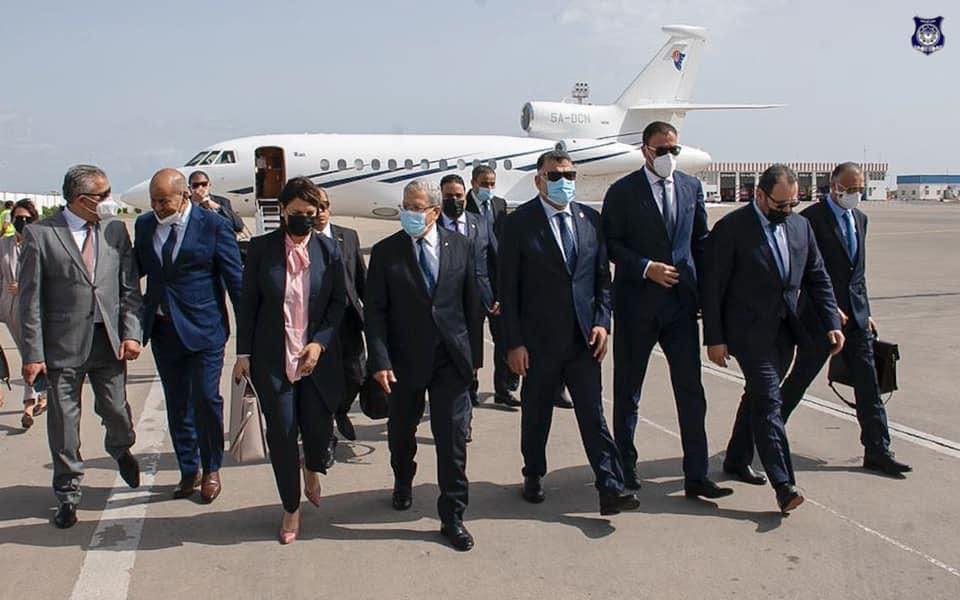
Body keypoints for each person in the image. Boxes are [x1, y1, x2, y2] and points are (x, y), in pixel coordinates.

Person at [499, 149, 639, 515]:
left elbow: (601, 280)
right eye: (555, 176)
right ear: (539, 180)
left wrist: (602, 323)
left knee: (593, 415)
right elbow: (508, 290)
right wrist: (514, 343)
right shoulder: (518, 224)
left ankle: (610, 487)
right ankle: (533, 473)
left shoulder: (590, 220)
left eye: (570, 175)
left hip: (583, 341)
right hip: (538, 343)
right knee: (536, 414)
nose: (564, 182)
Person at [703, 164, 844, 514]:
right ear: (760, 195)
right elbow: (713, 287)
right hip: (748, 332)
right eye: (781, 205)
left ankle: (737, 458)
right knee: (769, 400)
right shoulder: (732, 229)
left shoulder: (800, 226)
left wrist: (831, 321)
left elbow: (818, 276)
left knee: (758, 395)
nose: (787, 210)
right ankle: (784, 485)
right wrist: (714, 338)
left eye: (793, 204)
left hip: (785, 331)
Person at [602, 122, 731, 498]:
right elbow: (611, 243)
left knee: (691, 391)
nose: (668, 157)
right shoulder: (623, 191)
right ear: (645, 151)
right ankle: (625, 466)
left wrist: (708, 297)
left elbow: (700, 242)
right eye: (661, 151)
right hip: (637, 305)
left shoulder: (691, 188)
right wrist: (646, 267)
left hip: (680, 306)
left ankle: (697, 474)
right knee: (629, 390)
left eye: (674, 150)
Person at [19, 164, 143, 529]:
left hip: (107, 342)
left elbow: (129, 288)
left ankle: (121, 448)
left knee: (116, 410)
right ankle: (68, 492)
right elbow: (30, 302)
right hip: (62, 346)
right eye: (102, 195)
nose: (108, 201)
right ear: (80, 199)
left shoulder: (115, 230)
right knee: (64, 424)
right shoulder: (42, 235)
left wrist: (131, 332)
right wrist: (33, 355)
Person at [365, 179, 481, 551]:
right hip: (404, 362)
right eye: (406, 206)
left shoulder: (460, 246)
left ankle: (453, 516)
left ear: (434, 211)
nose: (409, 213)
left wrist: (474, 360)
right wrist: (379, 360)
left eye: (416, 208)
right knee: (401, 433)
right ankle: (403, 480)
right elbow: (375, 312)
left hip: (450, 360)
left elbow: (471, 306)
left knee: (452, 441)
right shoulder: (386, 252)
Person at [779, 162, 911, 477]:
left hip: (856, 320)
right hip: (819, 320)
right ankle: (766, 432)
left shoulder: (860, 219)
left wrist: (866, 312)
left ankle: (878, 450)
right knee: (799, 380)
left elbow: (857, 274)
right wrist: (829, 309)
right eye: (849, 188)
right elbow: (802, 273)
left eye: (859, 188)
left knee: (869, 385)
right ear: (833, 185)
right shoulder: (810, 220)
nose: (854, 193)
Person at [234, 177, 346, 544]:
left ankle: (312, 467)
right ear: (283, 211)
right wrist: (243, 354)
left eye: (310, 213)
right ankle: (290, 506)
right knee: (282, 433)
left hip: (315, 360)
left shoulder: (329, 251)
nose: (303, 219)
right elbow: (248, 304)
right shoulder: (261, 249)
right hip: (273, 359)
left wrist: (319, 344)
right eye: (296, 212)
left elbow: (338, 304)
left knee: (316, 432)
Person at [134, 169, 243, 502]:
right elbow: (134, 270)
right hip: (163, 330)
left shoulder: (213, 226)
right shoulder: (145, 225)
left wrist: (249, 343)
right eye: (153, 201)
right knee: (178, 403)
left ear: (183, 196)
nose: (157, 207)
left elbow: (236, 283)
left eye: (163, 201)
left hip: (205, 330)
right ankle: (188, 468)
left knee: (206, 400)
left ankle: (211, 467)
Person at [314, 187, 365, 466]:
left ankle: (341, 409)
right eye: (315, 207)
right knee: (322, 383)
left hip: (348, 321)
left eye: (324, 206)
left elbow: (361, 280)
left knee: (356, 375)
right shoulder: (301, 240)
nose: (320, 212)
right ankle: (326, 439)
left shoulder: (348, 236)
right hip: (318, 326)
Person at [464, 165, 520, 408]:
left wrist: (502, 289)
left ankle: (503, 389)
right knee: (472, 339)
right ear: (473, 183)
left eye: (491, 183)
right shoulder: (462, 205)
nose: (488, 188)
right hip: (471, 281)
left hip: (495, 280)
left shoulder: (499, 204)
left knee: (504, 337)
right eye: (484, 183)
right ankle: (470, 387)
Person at [440, 173, 494, 416]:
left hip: (476, 297)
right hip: (444, 299)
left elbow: (494, 257)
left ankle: (470, 386)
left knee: (472, 346)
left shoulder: (479, 223)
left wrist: (497, 293)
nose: (454, 200)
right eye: (448, 196)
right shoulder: (433, 224)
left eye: (458, 196)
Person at [0, 199, 45, 427]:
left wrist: (25, 285)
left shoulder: (40, 243)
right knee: (26, 352)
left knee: (31, 353)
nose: (22, 222)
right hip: (11, 309)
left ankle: (29, 402)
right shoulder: (3, 245)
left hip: (36, 308)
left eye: (27, 218)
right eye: (18, 218)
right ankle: (41, 393)